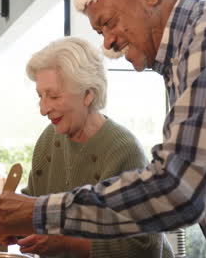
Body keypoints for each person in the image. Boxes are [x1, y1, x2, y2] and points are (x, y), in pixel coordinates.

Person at [0, 0, 206, 257]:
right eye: (100, 32)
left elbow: (178, 188)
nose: (108, 43)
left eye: (110, 22)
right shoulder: (183, 58)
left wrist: (39, 213)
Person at [16, 37, 173, 258]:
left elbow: (145, 246)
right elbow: (35, 203)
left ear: (88, 94)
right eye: (40, 96)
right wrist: (12, 223)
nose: (43, 109)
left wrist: (68, 245)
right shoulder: (48, 140)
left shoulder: (122, 149)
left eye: (53, 96)